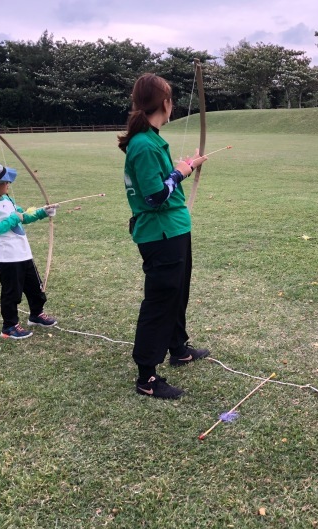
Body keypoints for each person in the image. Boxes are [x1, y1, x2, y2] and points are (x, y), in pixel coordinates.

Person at [118, 73, 210, 400]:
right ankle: (147, 376)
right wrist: (181, 171)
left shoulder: (152, 139)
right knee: (160, 299)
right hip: (160, 233)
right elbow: (154, 196)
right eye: (170, 99)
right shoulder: (143, 144)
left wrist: (184, 166)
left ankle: (178, 348)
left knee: (177, 291)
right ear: (165, 103)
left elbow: (163, 182)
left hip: (174, 229)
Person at [0, 160, 58, 340]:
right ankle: (9, 327)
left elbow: (23, 217)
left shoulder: (7, 199)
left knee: (35, 287)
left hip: (23, 254)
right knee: (12, 293)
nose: (8, 183)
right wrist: (13, 219)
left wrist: (43, 212)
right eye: (5, 181)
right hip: (7, 257)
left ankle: (36, 314)